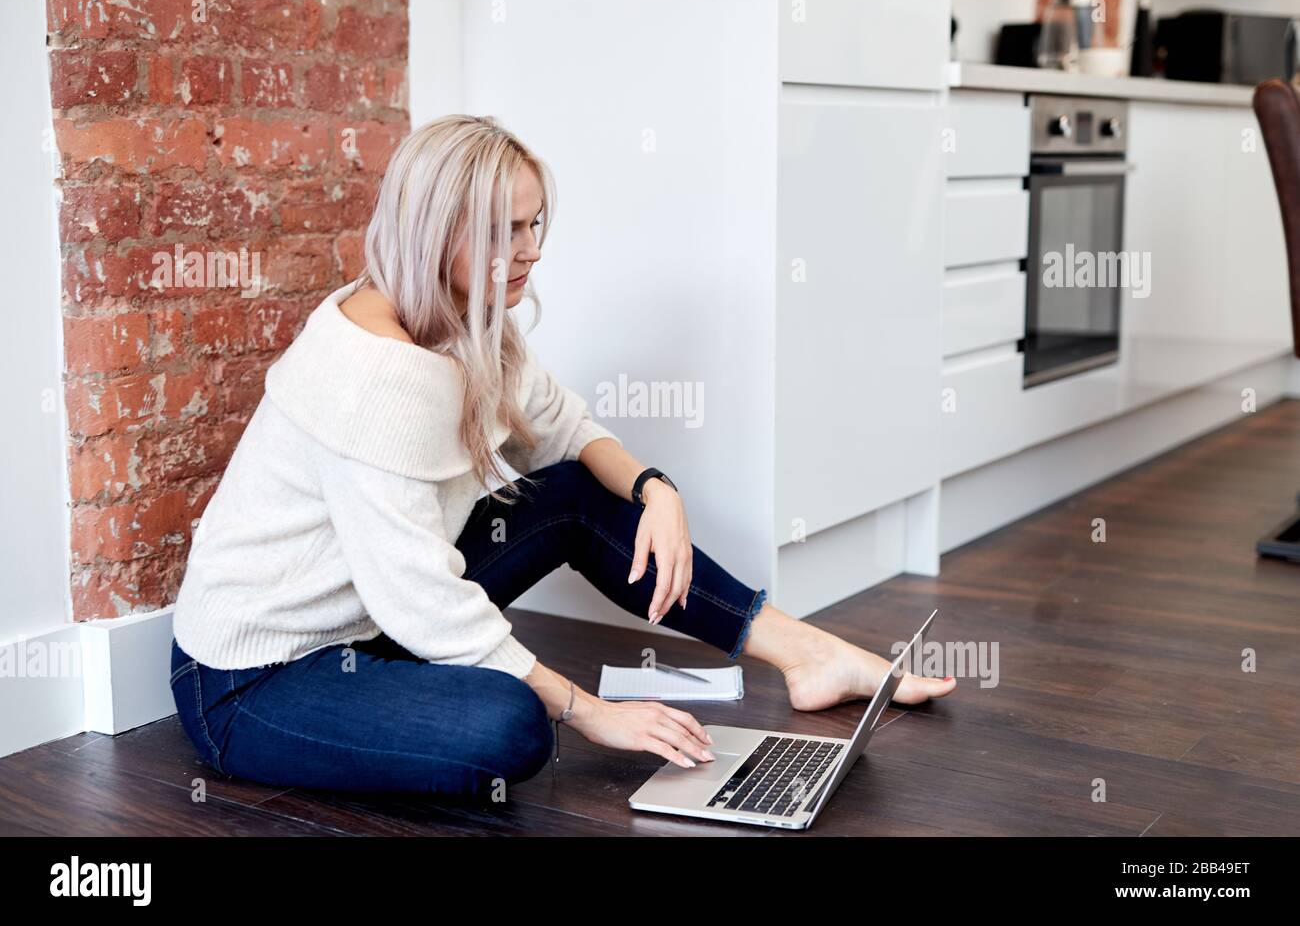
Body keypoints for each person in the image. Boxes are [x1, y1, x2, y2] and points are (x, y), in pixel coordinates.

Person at [167, 115, 956, 798]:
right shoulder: (376, 371)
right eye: (504, 233)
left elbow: (566, 431)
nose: (531, 251)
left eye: (534, 224)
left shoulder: (462, 320)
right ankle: (412, 702)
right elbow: (419, 599)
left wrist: (658, 491)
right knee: (516, 730)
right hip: (257, 681)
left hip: (371, 622)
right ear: (435, 235)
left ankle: (807, 653)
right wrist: (593, 713)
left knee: (577, 493)